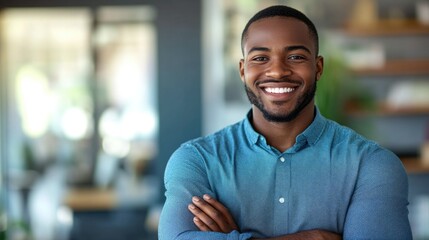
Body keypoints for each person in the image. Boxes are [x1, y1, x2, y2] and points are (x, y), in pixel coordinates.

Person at [158, 5, 412, 240]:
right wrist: (311, 238)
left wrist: (234, 237)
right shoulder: (196, 160)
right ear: (243, 69)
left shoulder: (371, 164)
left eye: (296, 57)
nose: (278, 71)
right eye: (260, 58)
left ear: (318, 67)